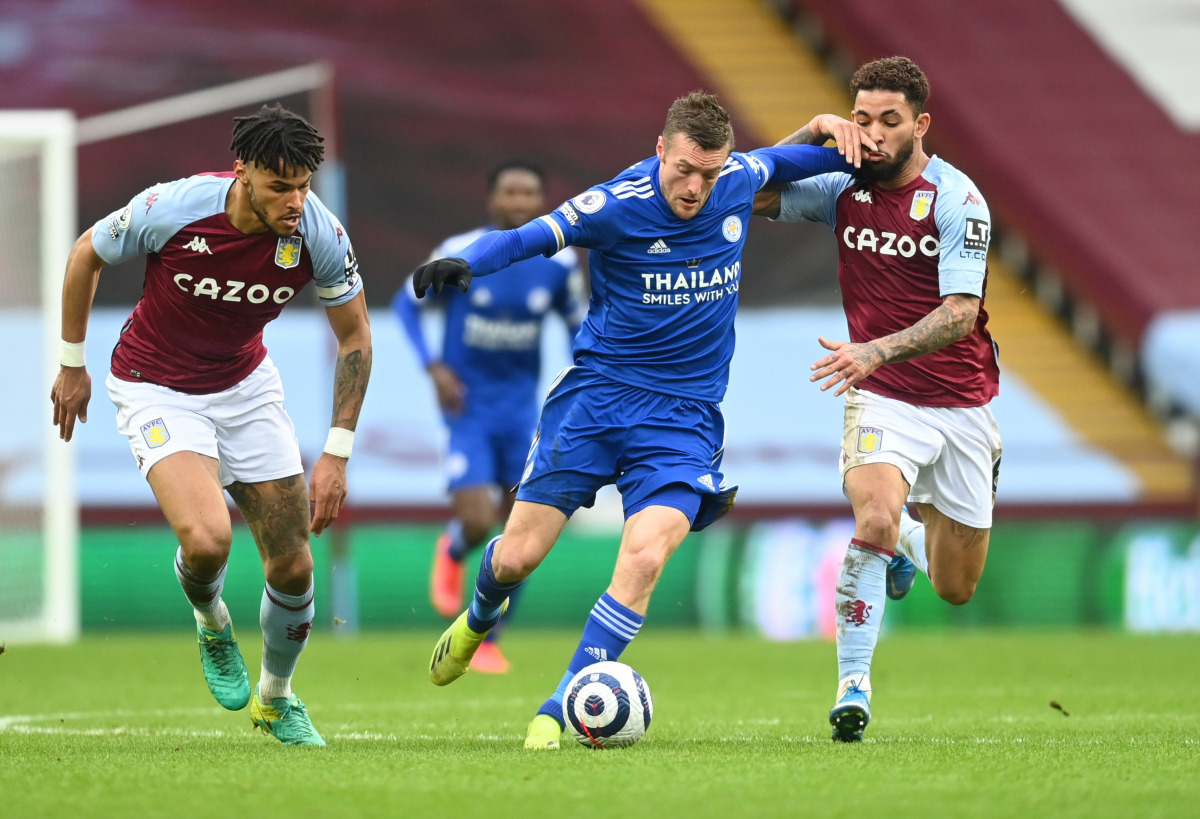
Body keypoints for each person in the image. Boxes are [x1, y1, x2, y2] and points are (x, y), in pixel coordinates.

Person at [413, 90, 871, 749]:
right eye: (684, 169)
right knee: (515, 557)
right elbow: (532, 235)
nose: (695, 187)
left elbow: (801, 160)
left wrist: (844, 133)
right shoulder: (617, 205)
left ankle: (558, 703)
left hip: (682, 420)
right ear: (661, 150)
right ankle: (478, 617)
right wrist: (468, 264)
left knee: (646, 554)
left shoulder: (736, 179)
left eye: (709, 174)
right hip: (596, 402)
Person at [50, 103, 372, 747]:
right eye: (280, 186)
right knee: (207, 543)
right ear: (242, 173)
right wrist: (71, 365)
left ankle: (276, 698)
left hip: (246, 388)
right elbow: (86, 253)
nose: (294, 200)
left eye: (303, 186)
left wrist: (336, 453)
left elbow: (355, 337)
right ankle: (211, 619)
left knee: (294, 568)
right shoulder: (173, 208)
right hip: (154, 387)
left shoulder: (320, 234)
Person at [755, 56, 1003, 742]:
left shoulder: (957, 199)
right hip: (882, 396)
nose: (871, 135)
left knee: (955, 586)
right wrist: (809, 132)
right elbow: (733, 192)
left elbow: (959, 313)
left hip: (960, 402)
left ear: (920, 125)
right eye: (860, 120)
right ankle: (854, 684)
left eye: (888, 122)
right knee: (872, 517)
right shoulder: (839, 185)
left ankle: (910, 543)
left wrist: (876, 346)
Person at [393, 160, 585, 673]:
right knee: (479, 521)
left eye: (530, 192)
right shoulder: (463, 253)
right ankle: (454, 548)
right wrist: (433, 367)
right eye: (510, 192)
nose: (520, 201)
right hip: (468, 408)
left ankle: (490, 636)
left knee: (521, 530)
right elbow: (405, 304)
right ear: (492, 199)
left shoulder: (558, 263)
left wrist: (586, 381)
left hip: (523, 411)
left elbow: (576, 329)